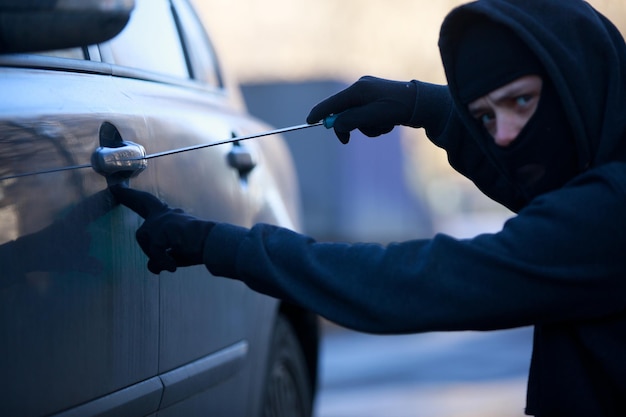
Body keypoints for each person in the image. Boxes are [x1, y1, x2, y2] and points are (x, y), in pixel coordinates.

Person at [110, 0, 626, 415]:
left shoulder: (608, 215)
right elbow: (542, 186)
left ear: (579, 81)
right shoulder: (600, 182)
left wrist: (218, 243)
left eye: (521, 101)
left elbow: (425, 282)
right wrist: (421, 106)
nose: (506, 137)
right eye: (485, 119)